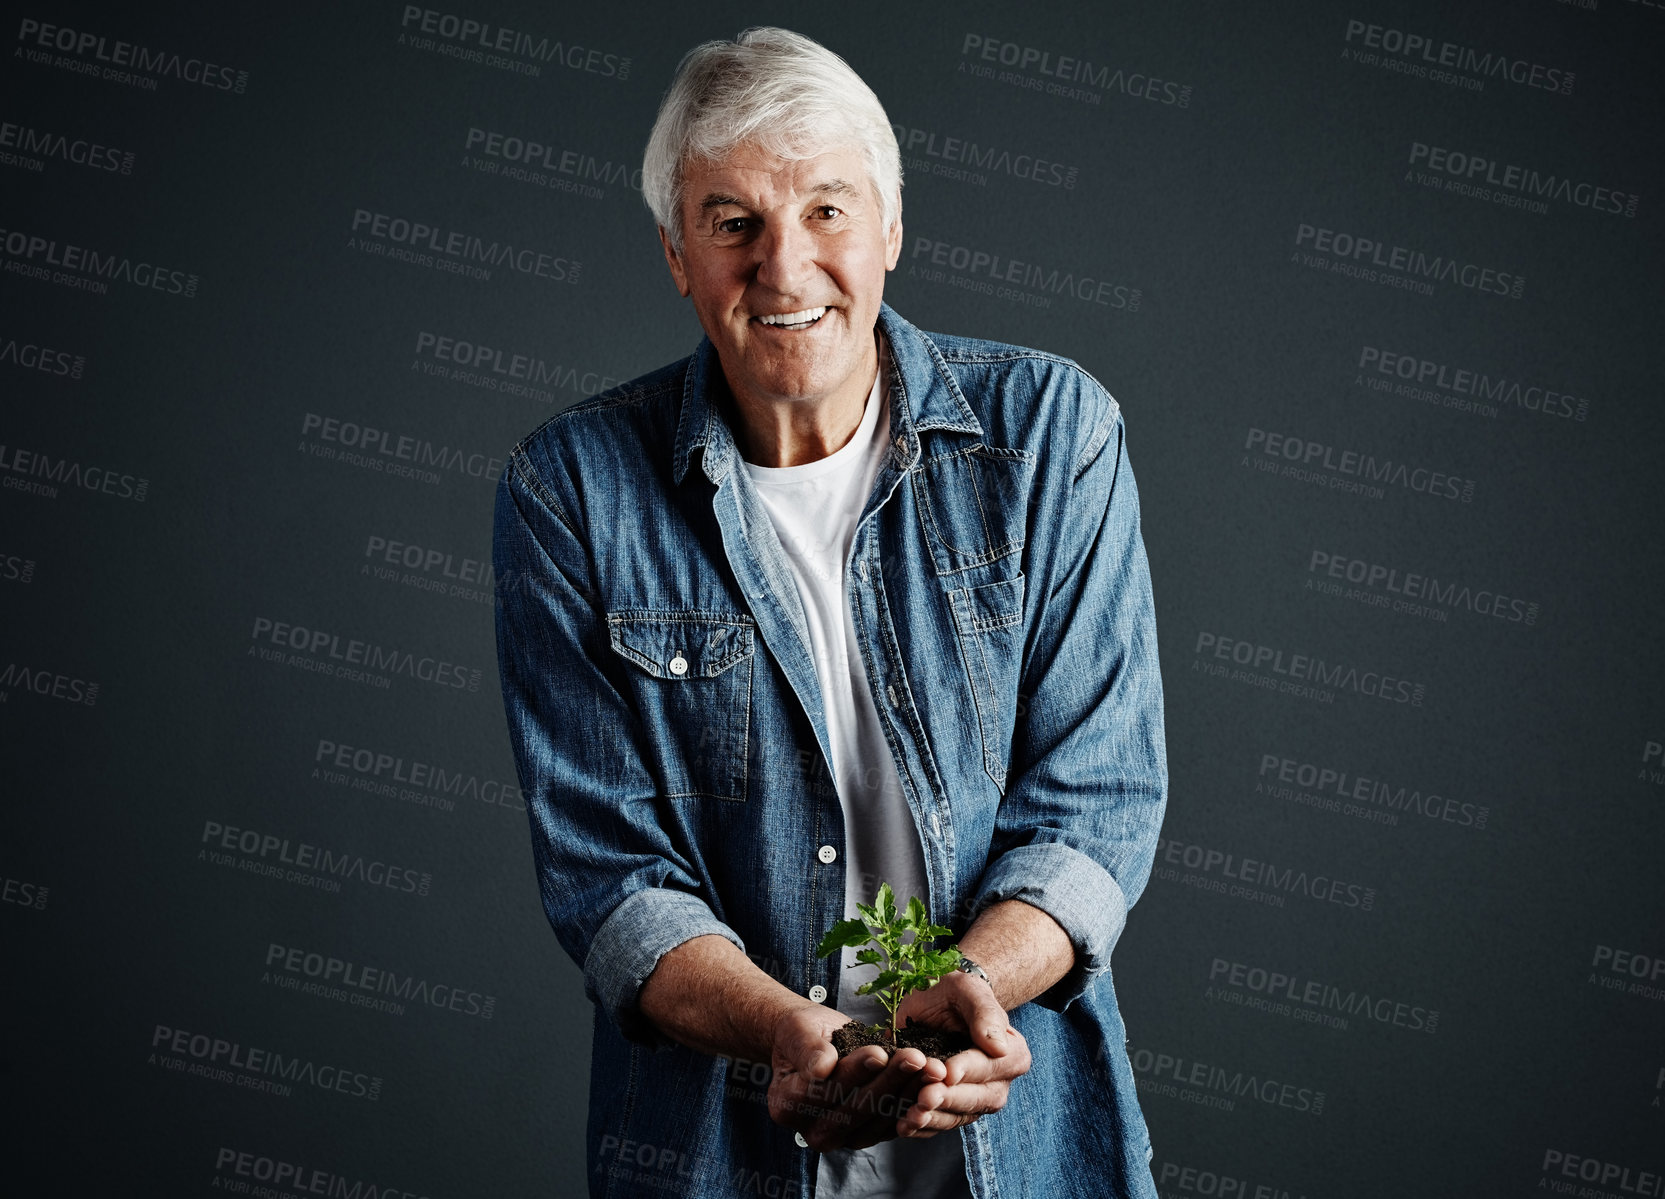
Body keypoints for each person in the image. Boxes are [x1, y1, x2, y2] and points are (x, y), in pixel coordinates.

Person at [492, 26, 1167, 1199]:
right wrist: (783, 1032)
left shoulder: (1053, 439)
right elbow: (612, 878)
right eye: (732, 221)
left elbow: (1098, 801)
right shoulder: (572, 492)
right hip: (713, 1155)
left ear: (893, 228)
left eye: (827, 211)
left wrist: (972, 985)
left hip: (1028, 1148)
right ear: (674, 253)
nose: (786, 270)